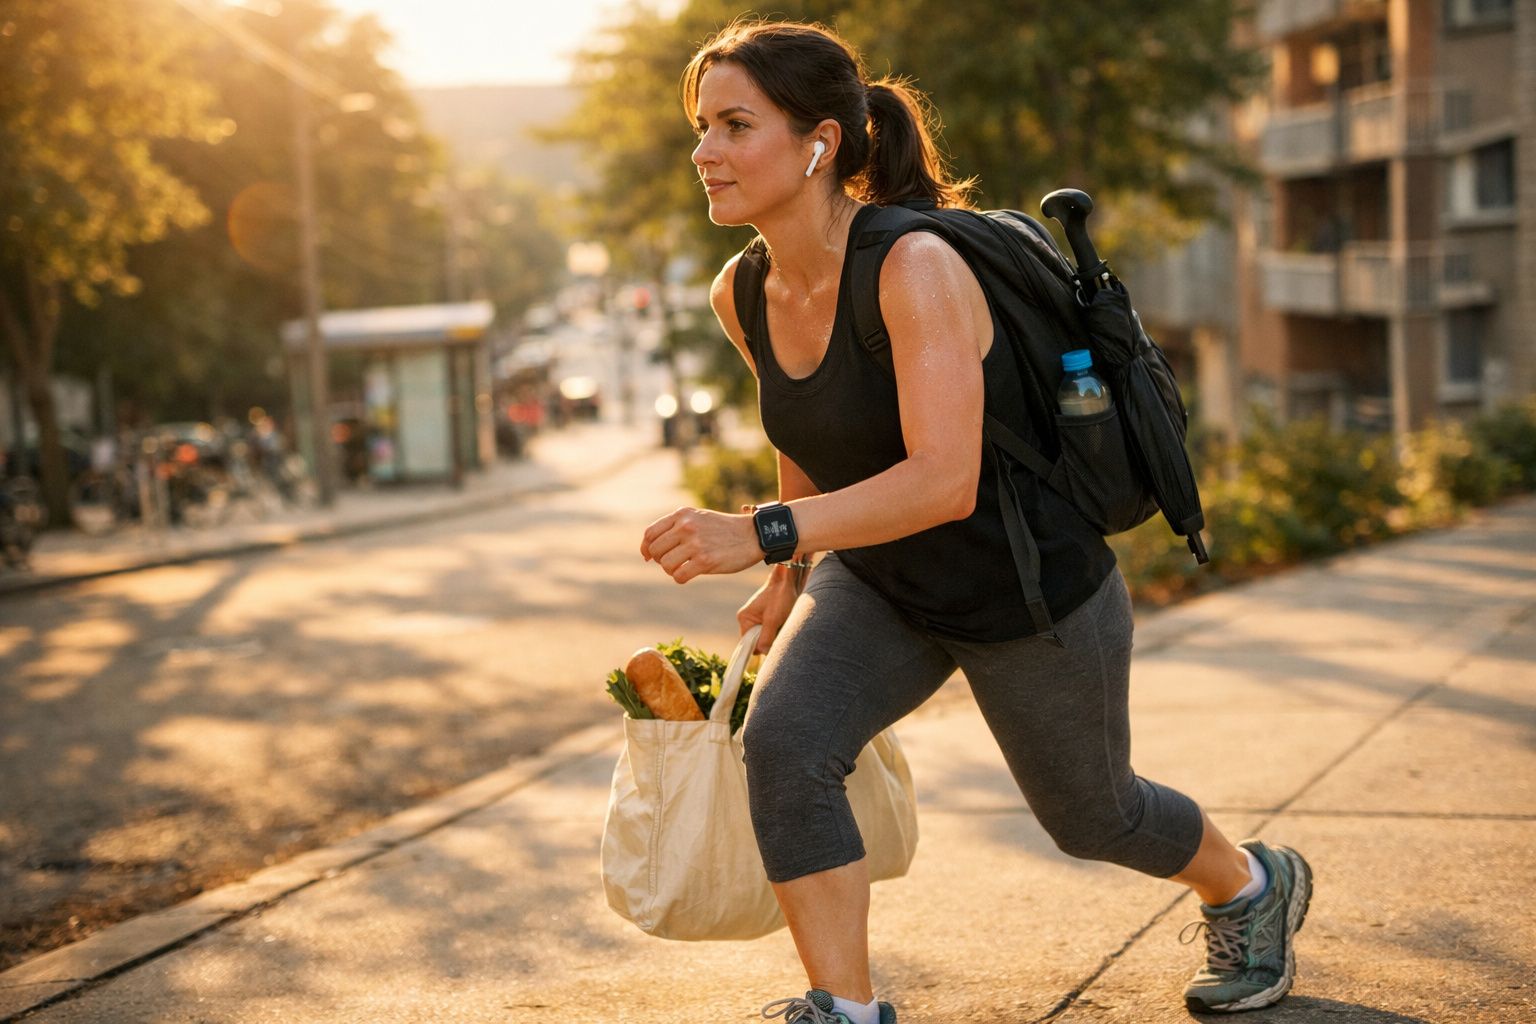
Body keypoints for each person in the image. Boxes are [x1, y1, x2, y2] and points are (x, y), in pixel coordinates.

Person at [639, 19, 1311, 1024]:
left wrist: (766, 531)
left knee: (1095, 815)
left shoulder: (913, 268)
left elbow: (943, 480)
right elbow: (808, 428)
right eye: (702, 126)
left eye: (736, 125)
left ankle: (1253, 885)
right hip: (880, 580)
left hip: (1025, 586)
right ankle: (846, 1007)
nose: (705, 151)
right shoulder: (743, 291)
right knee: (785, 744)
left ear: (819, 141)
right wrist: (785, 579)